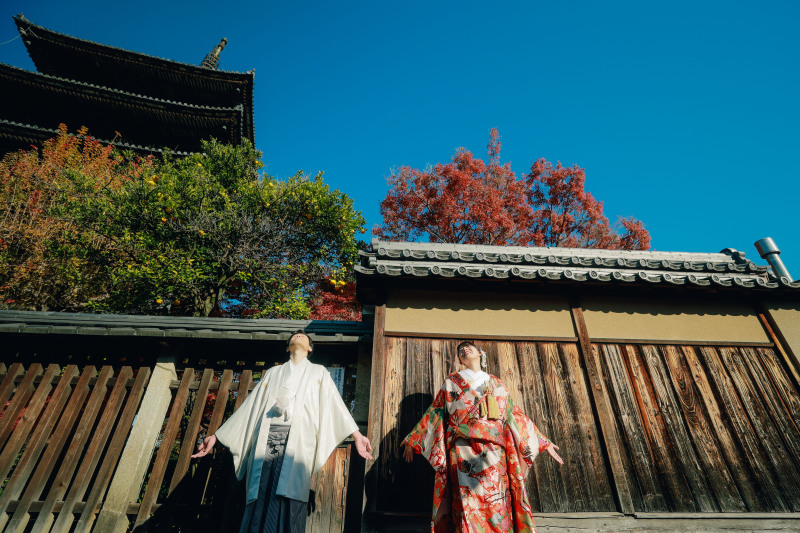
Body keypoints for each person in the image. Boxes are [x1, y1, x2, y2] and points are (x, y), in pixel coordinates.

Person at [192, 330, 372, 533]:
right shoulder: (272, 373)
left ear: (310, 348)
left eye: (304, 336)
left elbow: (335, 405)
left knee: (290, 494)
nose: (299, 335)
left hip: (298, 441)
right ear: (287, 347)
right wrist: (216, 436)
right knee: (261, 491)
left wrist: (357, 435)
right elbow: (251, 406)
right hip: (266, 439)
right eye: (295, 336)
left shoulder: (319, 372)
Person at [401, 341, 563, 533]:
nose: (464, 349)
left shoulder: (496, 383)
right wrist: (414, 438)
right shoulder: (451, 382)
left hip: (494, 453)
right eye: (460, 350)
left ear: (480, 353)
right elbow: (436, 412)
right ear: (460, 360)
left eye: (469, 347)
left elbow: (514, 415)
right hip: (462, 449)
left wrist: (543, 441)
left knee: (497, 501)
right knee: (465, 502)